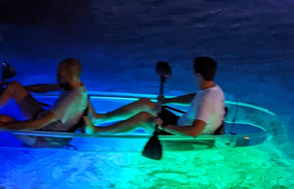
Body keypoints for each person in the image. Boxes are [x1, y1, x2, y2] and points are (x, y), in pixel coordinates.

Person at [84, 56, 225, 138]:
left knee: (142, 117)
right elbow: (194, 97)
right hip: (180, 122)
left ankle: (97, 131)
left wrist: (163, 125)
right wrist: (168, 101)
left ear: (198, 75)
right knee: (144, 103)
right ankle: (100, 118)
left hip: (180, 137)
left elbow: (194, 132)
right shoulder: (213, 90)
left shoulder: (207, 100)